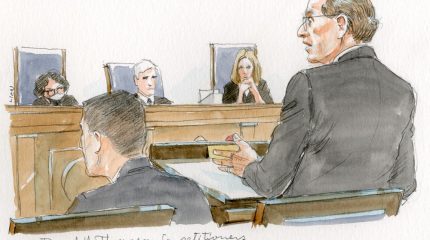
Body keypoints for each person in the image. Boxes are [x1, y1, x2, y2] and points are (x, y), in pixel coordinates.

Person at [214, 0, 416, 200]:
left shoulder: (307, 84)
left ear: (341, 25)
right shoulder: (403, 91)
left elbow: (269, 183)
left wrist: (248, 165)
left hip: (299, 227)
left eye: (309, 20)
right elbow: (404, 185)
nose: (301, 31)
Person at [67, 91, 211, 224]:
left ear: (97, 140)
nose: (81, 144)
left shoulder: (86, 207)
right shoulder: (190, 192)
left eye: (83, 133)